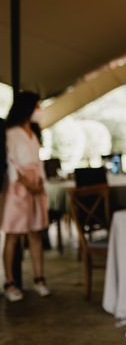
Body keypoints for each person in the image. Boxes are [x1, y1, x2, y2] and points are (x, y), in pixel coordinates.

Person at [1, 91, 51, 302]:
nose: (39, 111)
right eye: (37, 106)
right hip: (18, 187)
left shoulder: (33, 132)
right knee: (13, 233)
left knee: (35, 232)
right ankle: (9, 281)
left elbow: (38, 161)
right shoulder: (11, 133)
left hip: (35, 185)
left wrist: (39, 182)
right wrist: (25, 182)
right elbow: (11, 162)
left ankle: (39, 278)